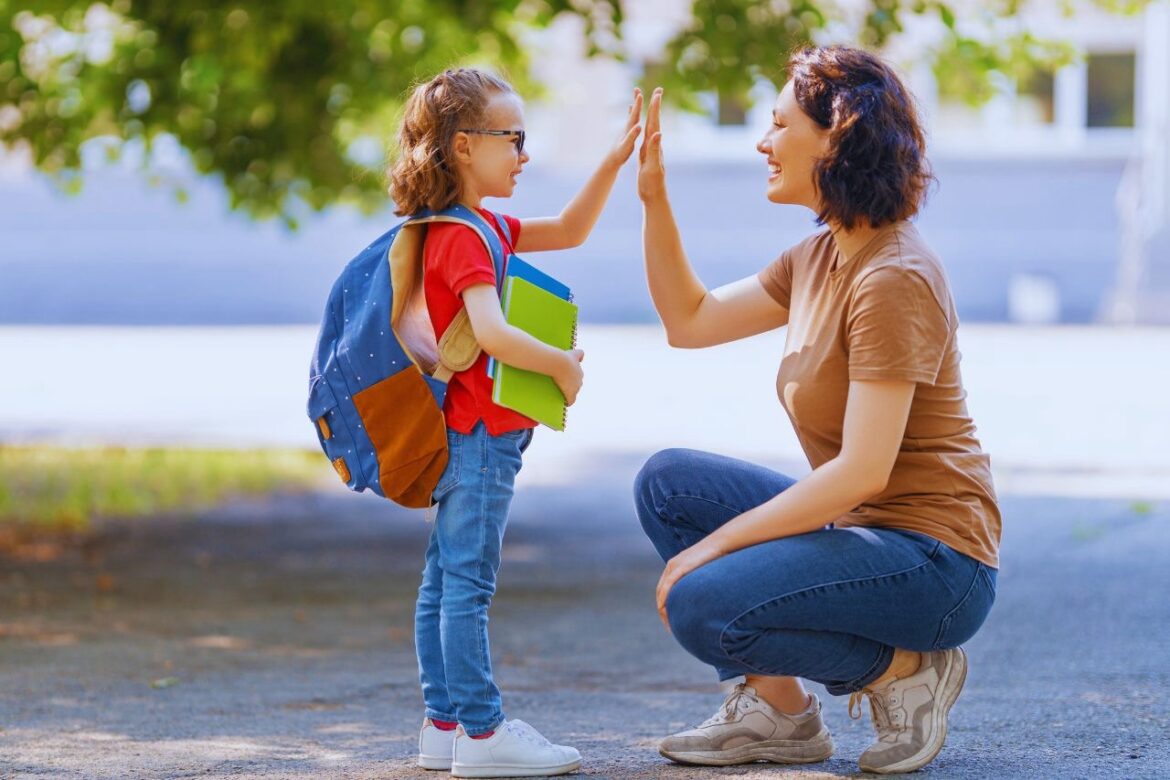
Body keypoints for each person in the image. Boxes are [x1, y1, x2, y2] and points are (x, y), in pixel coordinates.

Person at [633, 46, 1000, 775]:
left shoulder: (894, 276)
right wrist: (654, 198)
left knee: (704, 602)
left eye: (777, 124)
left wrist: (712, 549)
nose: (762, 142)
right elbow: (691, 320)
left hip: (936, 563)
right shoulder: (818, 257)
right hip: (869, 534)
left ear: (836, 136)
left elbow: (861, 471)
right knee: (669, 484)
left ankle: (904, 670)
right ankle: (781, 714)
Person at [388, 68, 641, 778]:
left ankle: (444, 726)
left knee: (442, 581)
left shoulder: (473, 226)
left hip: (461, 435)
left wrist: (614, 160)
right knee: (467, 585)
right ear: (465, 146)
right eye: (514, 139)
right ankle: (483, 731)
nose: (524, 155)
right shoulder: (465, 238)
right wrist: (562, 367)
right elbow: (492, 333)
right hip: (478, 438)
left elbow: (569, 229)